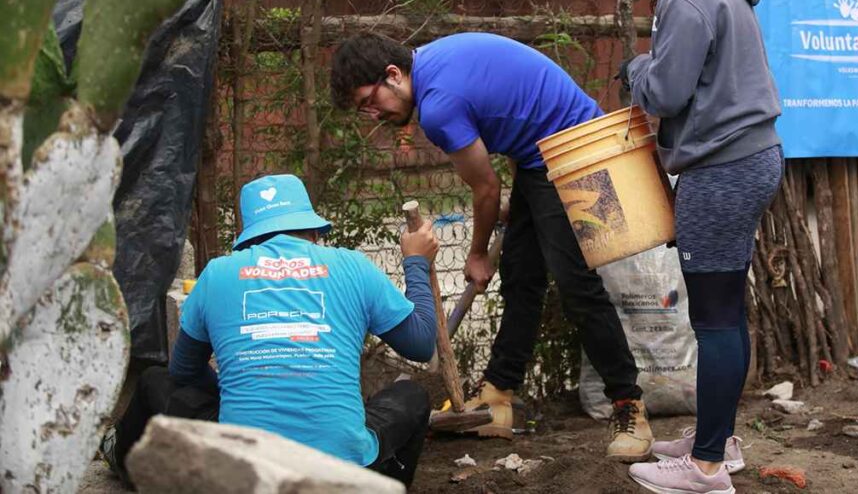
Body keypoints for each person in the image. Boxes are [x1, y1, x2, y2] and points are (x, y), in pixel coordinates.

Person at [330, 32, 653, 462]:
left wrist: (476, 253)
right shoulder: (429, 63)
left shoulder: (438, 106)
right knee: (522, 276)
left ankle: (628, 406)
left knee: (577, 286)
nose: (371, 114)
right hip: (540, 154)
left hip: (576, 151)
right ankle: (498, 397)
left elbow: (485, 189)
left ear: (392, 75)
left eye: (369, 101)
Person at [102, 174, 439, 489]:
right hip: (340, 469)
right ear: (313, 232)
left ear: (250, 237)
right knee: (411, 397)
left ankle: (119, 458)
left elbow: (183, 372)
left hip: (243, 473)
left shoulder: (218, 274)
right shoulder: (352, 266)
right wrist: (416, 262)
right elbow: (422, 344)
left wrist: (238, 388)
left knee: (154, 381)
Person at [618, 0, 784, 494]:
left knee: (713, 318)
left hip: (722, 169)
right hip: (751, 157)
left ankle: (706, 467)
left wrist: (635, 68)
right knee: (724, 313)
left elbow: (664, 91)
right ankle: (720, 441)